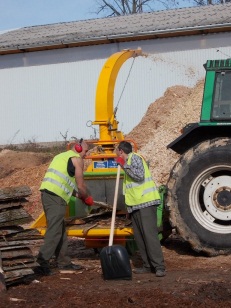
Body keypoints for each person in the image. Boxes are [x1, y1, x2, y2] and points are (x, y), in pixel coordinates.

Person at [35, 139, 94, 276]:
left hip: (49, 195)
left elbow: (65, 181)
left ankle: (64, 262)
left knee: (60, 231)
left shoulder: (61, 157)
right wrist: (86, 197)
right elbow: (81, 185)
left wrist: (78, 196)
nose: (85, 155)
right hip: (56, 198)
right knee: (54, 231)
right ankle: (41, 264)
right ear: (78, 149)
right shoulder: (77, 160)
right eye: (85, 151)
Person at [115, 141, 166, 277]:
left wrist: (123, 165)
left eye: (116, 151)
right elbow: (130, 190)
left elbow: (139, 176)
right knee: (139, 237)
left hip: (146, 203)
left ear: (121, 151)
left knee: (150, 236)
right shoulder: (129, 163)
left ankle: (159, 266)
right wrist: (129, 209)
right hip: (136, 206)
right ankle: (147, 265)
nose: (115, 153)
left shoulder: (135, 158)